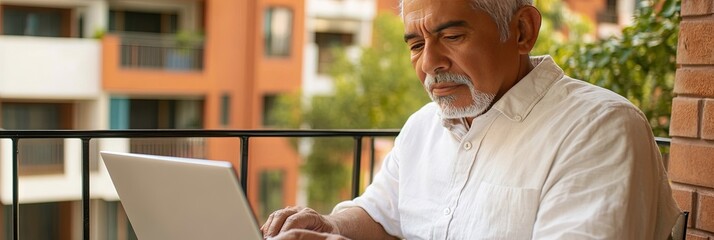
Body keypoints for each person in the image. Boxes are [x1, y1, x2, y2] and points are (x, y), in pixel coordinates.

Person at [262, 0, 681, 239]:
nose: (429, 64)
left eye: (452, 36)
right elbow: (379, 214)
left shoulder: (600, 128)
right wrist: (329, 224)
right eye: (415, 44)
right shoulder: (422, 127)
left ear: (521, 30)